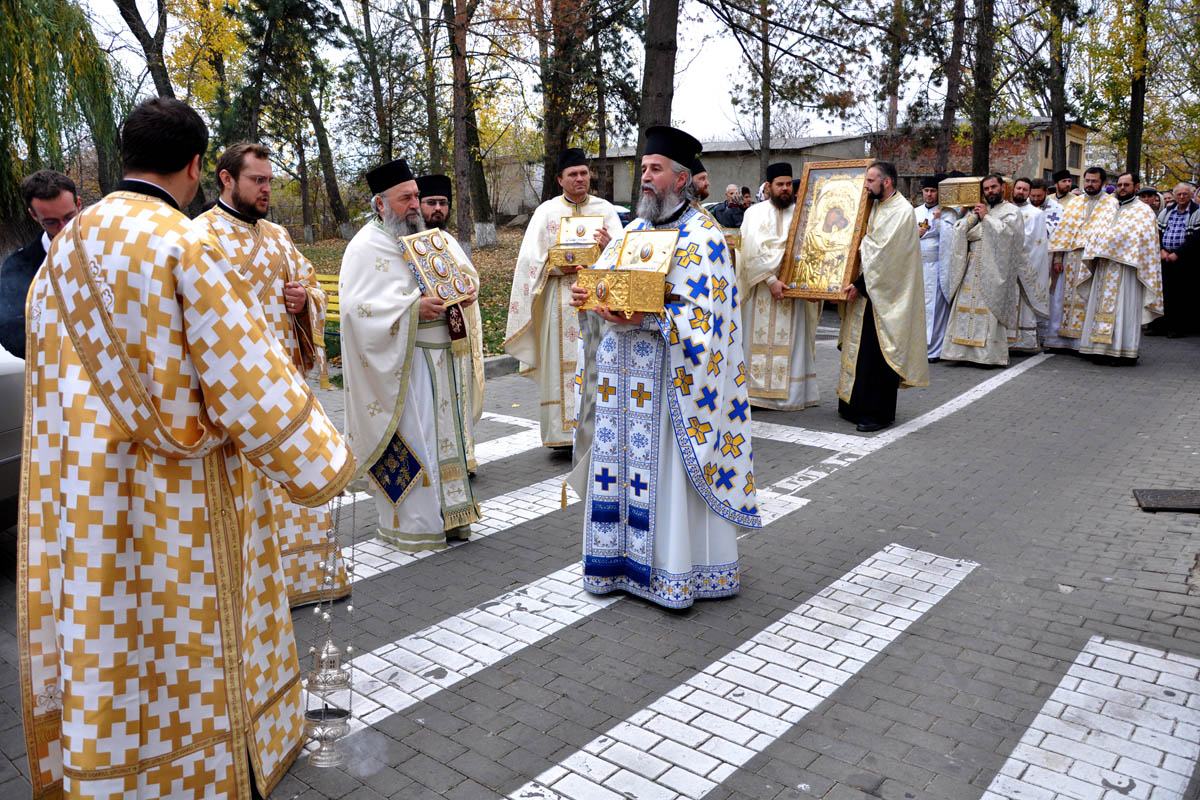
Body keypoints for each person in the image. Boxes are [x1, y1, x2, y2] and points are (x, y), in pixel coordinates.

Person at [19, 97, 355, 800]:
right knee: (188, 634)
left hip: (85, 487)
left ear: (123, 156)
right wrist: (323, 463)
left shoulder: (66, 253)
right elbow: (243, 375)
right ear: (200, 166)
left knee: (113, 633)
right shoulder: (182, 243)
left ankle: (115, 773)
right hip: (181, 494)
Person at [568, 125, 759, 609]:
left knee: (666, 478)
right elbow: (606, 285)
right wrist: (588, 293)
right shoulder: (633, 230)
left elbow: (709, 318)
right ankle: (619, 567)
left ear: (680, 179)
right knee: (622, 474)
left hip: (673, 383)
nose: (646, 178)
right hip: (623, 386)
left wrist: (650, 317)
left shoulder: (705, 236)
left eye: (655, 170)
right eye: (644, 170)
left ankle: (674, 572)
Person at [195, 142, 345, 608]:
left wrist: (305, 302)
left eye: (269, 181)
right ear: (226, 179)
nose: (266, 189)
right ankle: (255, 589)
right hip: (237, 393)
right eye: (257, 180)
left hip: (284, 387)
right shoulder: (201, 236)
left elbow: (310, 286)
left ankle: (303, 580)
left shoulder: (278, 235)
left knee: (292, 480)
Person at [341, 158, 482, 551]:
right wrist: (411, 309)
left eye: (416, 195)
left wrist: (463, 293)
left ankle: (450, 517)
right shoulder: (366, 246)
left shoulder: (426, 238)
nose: (415, 205)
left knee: (443, 442)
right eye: (405, 198)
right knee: (414, 444)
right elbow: (356, 310)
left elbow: (455, 277)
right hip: (401, 366)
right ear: (380, 204)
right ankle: (414, 525)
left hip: (441, 359)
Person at [505, 148, 621, 450]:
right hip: (560, 300)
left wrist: (610, 247)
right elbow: (530, 261)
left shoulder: (606, 210)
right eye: (573, 174)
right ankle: (562, 435)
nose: (580, 178)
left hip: (598, 299)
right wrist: (557, 264)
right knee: (562, 365)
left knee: (598, 362)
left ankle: (599, 431)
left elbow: (625, 255)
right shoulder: (546, 212)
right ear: (560, 179)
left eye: (584, 173)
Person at [838, 161, 928, 431]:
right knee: (861, 353)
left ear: (886, 182)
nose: (866, 186)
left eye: (870, 181)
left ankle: (876, 414)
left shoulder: (901, 212)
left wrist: (860, 283)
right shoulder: (874, 205)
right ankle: (853, 406)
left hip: (886, 296)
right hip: (868, 291)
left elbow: (886, 257)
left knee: (878, 355)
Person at [739, 162, 820, 410]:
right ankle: (755, 395)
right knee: (755, 340)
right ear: (769, 186)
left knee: (792, 343)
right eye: (779, 184)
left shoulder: (803, 213)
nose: (785, 189)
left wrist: (816, 285)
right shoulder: (754, 213)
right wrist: (771, 280)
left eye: (788, 184)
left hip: (792, 290)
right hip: (761, 289)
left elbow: (812, 250)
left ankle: (790, 396)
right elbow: (750, 250)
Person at [417, 173, 485, 469]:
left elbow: (470, 278)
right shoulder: (408, 241)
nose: (438, 209)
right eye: (431, 202)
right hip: (425, 338)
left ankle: (463, 457)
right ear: (419, 204)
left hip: (455, 334)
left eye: (443, 203)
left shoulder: (446, 239)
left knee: (458, 394)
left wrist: (471, 291)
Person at [1072, 172, 1162, 362]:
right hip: (1104, 267)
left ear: (1135, 187)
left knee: (1123, 309)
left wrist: (1111, 243)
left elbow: (1142, 241)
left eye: (1126, 185)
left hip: (1127, 269)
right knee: (1098, 307)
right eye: (1120, 184)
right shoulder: (1107, 208)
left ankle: (1123, 352)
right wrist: (1103, 243)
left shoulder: (1143, 212)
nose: (1122, 188)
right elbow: (1094, 232)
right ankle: (1095, 349)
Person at [941, 174, 1025, 366]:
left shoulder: (1011, 211)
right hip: (971, 267)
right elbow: (960, 230)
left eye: (993, 187)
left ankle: (987, 356)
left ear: (1002, 187)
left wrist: (986, 218)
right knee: (965, 306)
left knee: (988, 308)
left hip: (993, 270)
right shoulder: (977, 209)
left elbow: (1011, 237)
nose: (990, 191)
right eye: (986, 189)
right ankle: (961, 353)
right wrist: (970, 215)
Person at [0, 170, 81, 358]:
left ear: (78, 203)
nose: (64, 228)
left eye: (69, 217)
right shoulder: (18, 266)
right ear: (34, 215)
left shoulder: (105, 250)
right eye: (51, 222)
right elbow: (9, 328)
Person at [1048, 166, 1119, 351]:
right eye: (1087, 180)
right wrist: (1057, 259)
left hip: (1093, 260)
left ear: (1103, 183)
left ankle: (1084, 342)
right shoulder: (1075, 203)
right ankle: (1060, 340)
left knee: (1088, 298)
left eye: (1094, 181)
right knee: (1063, 298)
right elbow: (1062, 232)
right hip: (1071, 258)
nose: (1090, 184)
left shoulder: (1112, 204)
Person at [1149, 182, 1200, 337]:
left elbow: (1196, 238)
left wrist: (1178, 253)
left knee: (1181, 296)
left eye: (1185, 194)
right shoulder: (1167, 212)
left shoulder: (1197, 212)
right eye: (1179, 194)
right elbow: (1157, 233)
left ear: (1191, 195)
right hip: (1165, 257)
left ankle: (1177, 328)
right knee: (1163, 294)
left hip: (1185, 260)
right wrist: (1162, 250)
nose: (1182, 197)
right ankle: (1160, 326)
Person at [914, 175, 955, 360]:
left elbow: (953, 236)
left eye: (932, 191)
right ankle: (918, 348)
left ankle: (936, 350)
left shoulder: (947, 212)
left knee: (937, 308)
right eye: (926, 191)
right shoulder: (914, 212)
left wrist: (938, 222)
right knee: (919, 307)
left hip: (938, 266)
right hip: (918, 266)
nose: (929, 194)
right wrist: (916, 233)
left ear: (938, 192)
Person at [1009, 177, 1051, 352]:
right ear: (1013, 189)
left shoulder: (1036, 214)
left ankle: (1025, 342)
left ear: (1028, 193)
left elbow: (1037, 242)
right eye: (1018, 188)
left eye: (1024, 190)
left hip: (1025, 265)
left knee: (1025, 304)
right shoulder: (1005, 210)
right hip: (1006, 265)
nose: (1020, 192)